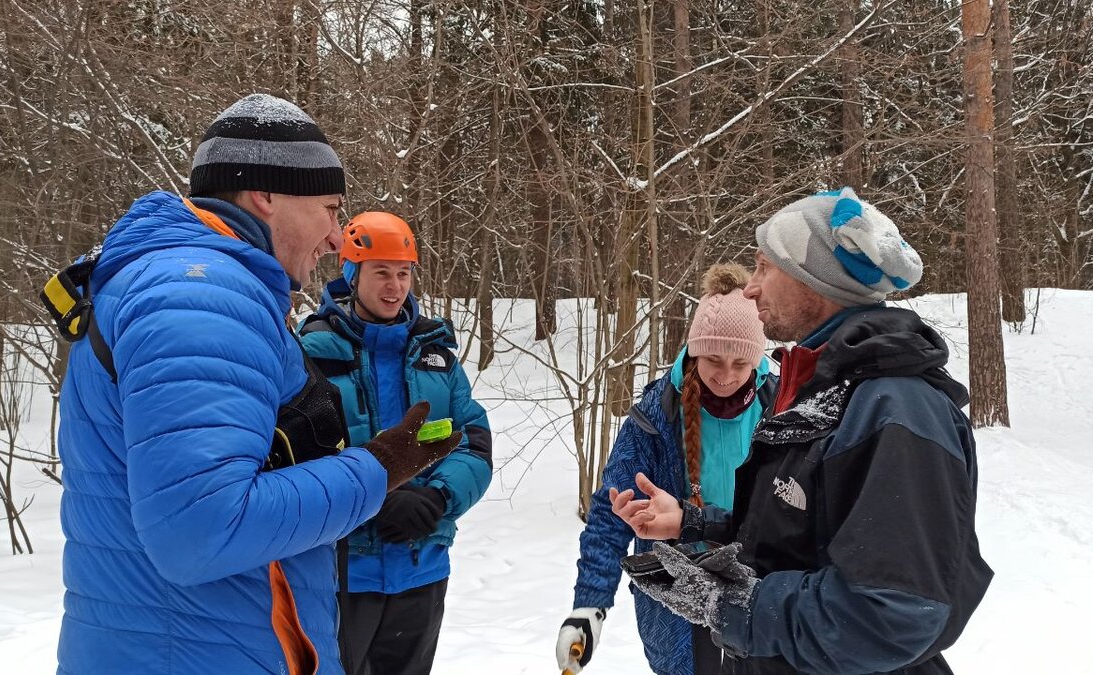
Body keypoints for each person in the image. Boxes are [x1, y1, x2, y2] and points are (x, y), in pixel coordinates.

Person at [48, 94, 461, 675]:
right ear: (266, 196)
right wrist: (376, 469)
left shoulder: (192, 284)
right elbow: (200, 528)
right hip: (196, 654)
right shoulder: (197, 295)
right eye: (329, 210)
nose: (336, 238)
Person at [609, 187, 993, 675]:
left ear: (814, 279)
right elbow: (808, 530)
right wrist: (695, 522)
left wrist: (734, 605)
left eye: (764, 267)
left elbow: (892, 614)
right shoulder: (823, 389)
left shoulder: (896, 410)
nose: (750, 288)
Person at [556, 264, 777, 675]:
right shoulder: (657, 414)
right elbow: (611, 510)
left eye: (741, 362)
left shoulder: (781, 406)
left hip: (766, 596)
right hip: (677, 606)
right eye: (713, 358)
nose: (726, 376)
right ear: (694, 351)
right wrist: (589, 605)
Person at [297, 211, 493, 675]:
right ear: (352, 274)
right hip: (342, 574)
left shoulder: (436, 354)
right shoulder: (311, 353)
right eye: (381, 272)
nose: (394, 286)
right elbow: (297, 456)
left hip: (422, 567)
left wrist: (437, 497)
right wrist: (369, 499)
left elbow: (473, 443)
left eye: (403, 273)